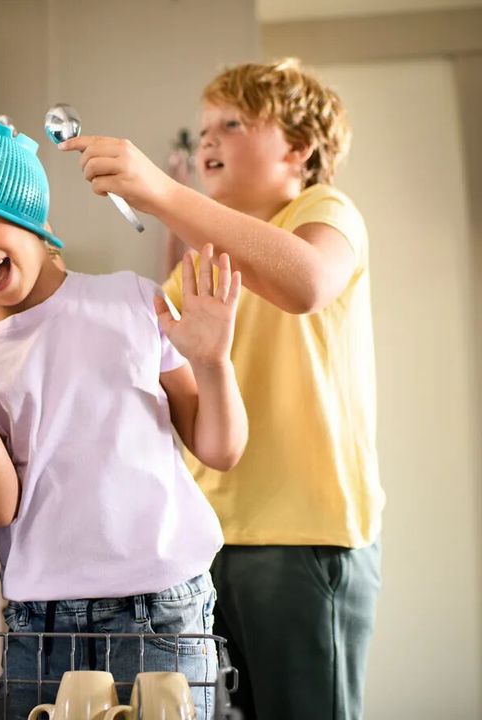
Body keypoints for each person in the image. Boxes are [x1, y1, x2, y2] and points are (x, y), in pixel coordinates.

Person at [0, 110, 248, 720]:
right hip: (40, 628)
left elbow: (221, 449)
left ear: (30, 210)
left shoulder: (131, 300)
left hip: (161, 613)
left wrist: (213, 361)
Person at [61, 58, 384, 720]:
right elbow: (144, 348)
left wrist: (162, 193)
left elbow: (306, 282)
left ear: (298, 149)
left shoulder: (324, 211)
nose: (209, 137)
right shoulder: (206, 263)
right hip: (210, 537)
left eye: (232, 124)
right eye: (205, 125)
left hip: (304, 534)